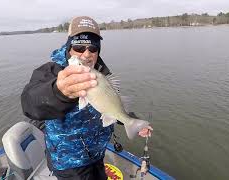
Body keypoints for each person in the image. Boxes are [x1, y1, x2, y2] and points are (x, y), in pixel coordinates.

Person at [21, 16, 152, 180]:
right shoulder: (51, 71)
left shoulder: (102, 73)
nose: (86, 54)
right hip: (69, 163)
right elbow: (29, 104)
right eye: (79, 47)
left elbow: (111, 106)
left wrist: (132, 121)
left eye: (93, 48)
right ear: (69, 48)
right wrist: (59, 92)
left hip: (97, 155)